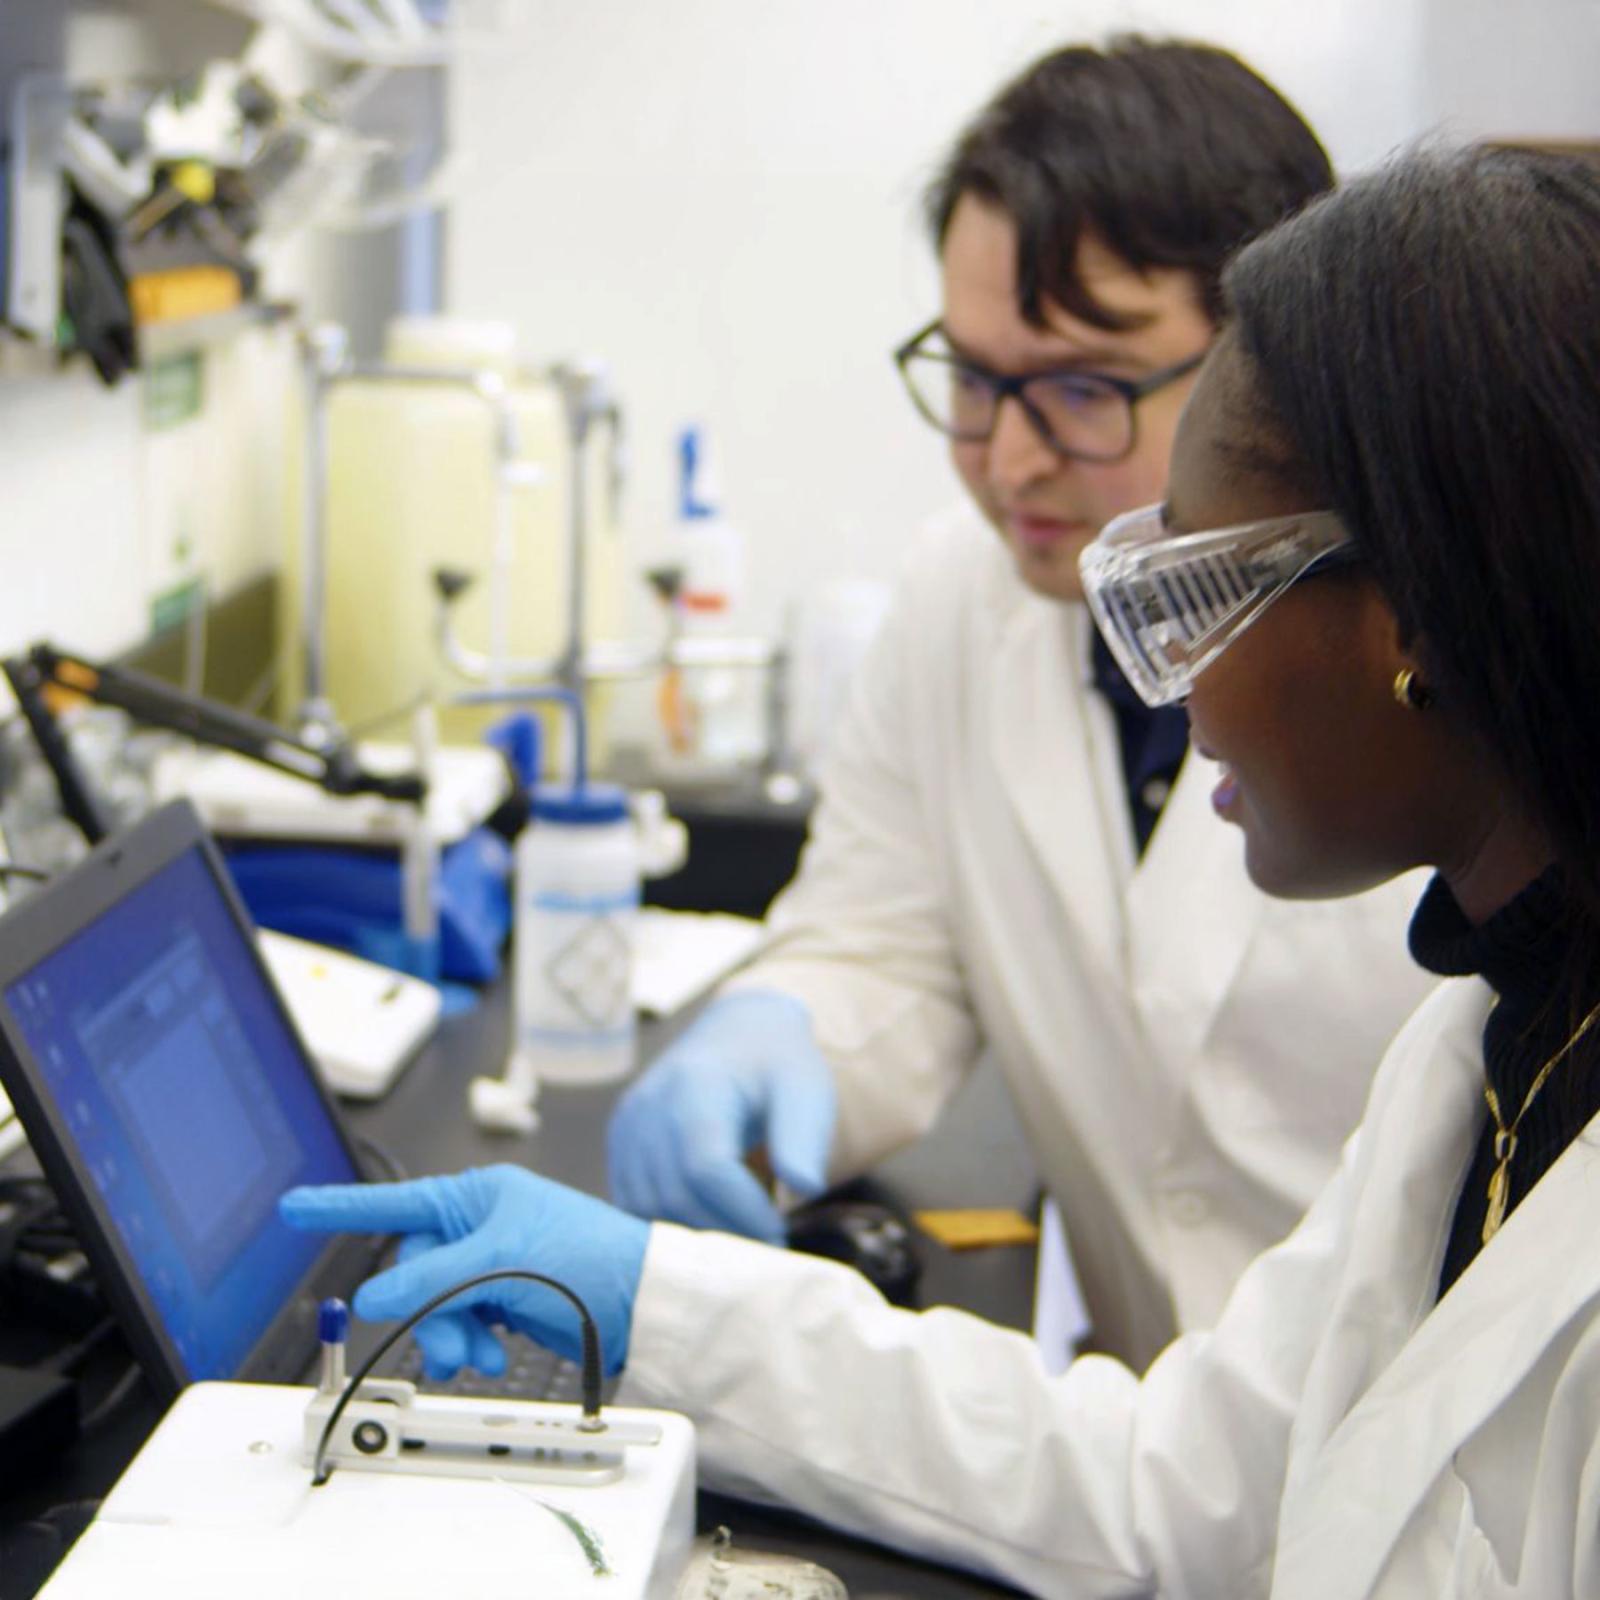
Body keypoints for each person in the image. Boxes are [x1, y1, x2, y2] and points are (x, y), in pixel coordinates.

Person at [286, 144, 1600, 1595]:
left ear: (1418, 610)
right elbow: (1191, 1488)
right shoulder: (1485, 1037)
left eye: (1200, 590)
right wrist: (643, 1296)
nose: (1012, 454)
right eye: (974, 381)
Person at [604, 37, 1436, 1369]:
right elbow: (881, 944)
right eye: (976, 379)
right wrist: (777, 1041)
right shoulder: (963, 602)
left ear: (1274, 354)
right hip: (1119, 1461)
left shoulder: (1435, 676)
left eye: (1083, 387)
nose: (1006, 460)